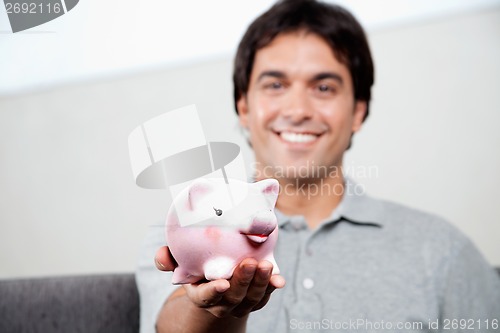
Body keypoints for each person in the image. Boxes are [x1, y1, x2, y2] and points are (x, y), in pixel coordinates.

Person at [136, 1, 500, 332]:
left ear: (358, 111)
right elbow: (171, 324)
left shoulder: (440, 249)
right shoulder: (184, 228)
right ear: (244, 106)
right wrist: (213, 309)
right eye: (275, 84)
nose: (298, 110)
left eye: (324, 87)